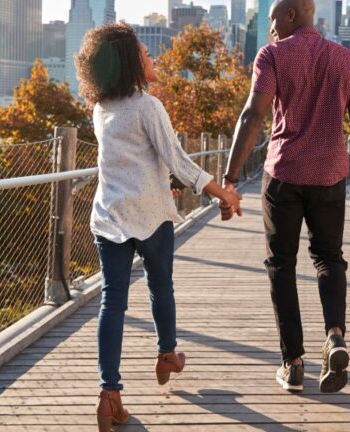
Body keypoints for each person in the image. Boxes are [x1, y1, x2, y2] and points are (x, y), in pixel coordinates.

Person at [74, 23, 242, 431]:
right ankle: (167, 354)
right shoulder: (148, 106)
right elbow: (179, 161)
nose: (154, 59)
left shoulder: (102, 109)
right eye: (147, 55)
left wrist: (165, 179)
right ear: (132, 63)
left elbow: (132, 161)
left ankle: (109, 394)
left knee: (112, 303)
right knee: (160, 286)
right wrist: (223, 193)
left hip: (110, 217)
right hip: (150, 217)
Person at [221, 0, 350, 394]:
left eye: (273, 20)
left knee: (281, 265)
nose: (270, 29)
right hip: (330, 176)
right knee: (329, 259)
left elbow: (254, 114)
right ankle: (336, 335)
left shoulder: (272, 56)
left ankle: (292, 362)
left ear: (292, 15)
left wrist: (230, 178)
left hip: (284, 175)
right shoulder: (349, 60)